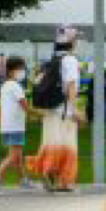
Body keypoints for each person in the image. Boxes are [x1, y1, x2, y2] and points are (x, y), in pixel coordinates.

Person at [27, 27, 84, 192]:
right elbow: (71, 85)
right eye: (75, 39)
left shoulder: (53, 59)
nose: (76, 42)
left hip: (51, 109)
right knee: (67, 145)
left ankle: (48, 171)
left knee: (52, 142)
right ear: (71, 42)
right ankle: (63, 181)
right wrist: (74, 111)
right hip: (64, 109)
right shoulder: (70, 60)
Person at [0, 57, 34, 192]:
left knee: (17, 154)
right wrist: (40, 114)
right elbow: (25, 106)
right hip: (15, 126)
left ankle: (22, 180)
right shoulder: (16, 86)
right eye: (21, 69)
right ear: (13, 70)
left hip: (6, 126)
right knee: (13, 156)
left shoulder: (5, 86)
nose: (23, 71)